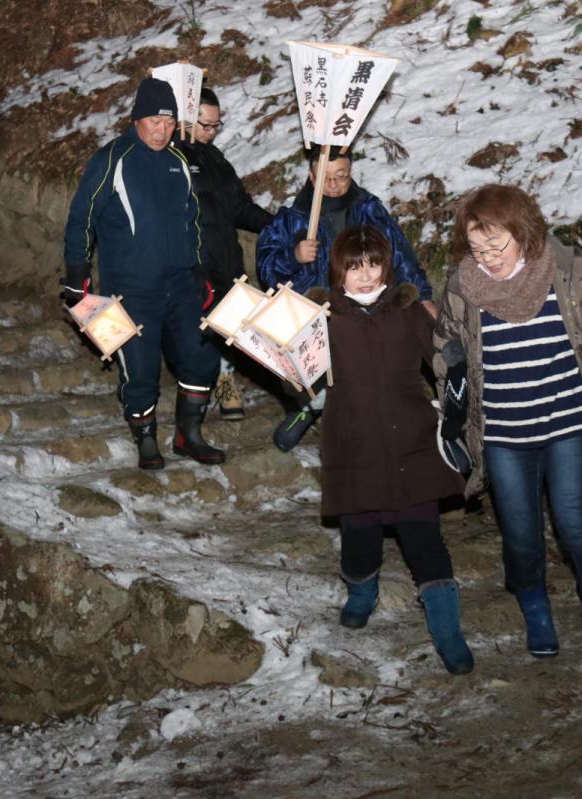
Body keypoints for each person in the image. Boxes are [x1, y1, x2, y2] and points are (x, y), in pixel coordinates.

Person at [432, 183, 582, 689]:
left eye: (496, 245)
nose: (486, 256)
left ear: (523, 232)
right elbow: (443, 343)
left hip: (569, 418)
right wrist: (450, 368)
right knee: (522, 534)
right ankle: (537, 612)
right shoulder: (463, 286)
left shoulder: (566, 266)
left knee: (577, 523)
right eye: (476, 247)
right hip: (505, 432)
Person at [319, 225, 472, 676]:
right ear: (338, 271)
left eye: (372, 264)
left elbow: (444, 358)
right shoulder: (323, 316)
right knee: (360, 536)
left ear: (386, 265)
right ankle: (362, 590)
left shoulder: (408, 311)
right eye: (353, 267)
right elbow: (300, 368)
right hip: (354, 440)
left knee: (426, 541)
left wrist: (458, 364)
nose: (365, 276)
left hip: (411, 440)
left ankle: (448, 632)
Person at [62, 77, 224, 470]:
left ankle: (190, 434)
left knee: (202, 356)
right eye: (154, 121)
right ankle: (146, 438)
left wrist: (202, 269)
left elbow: (194, 221)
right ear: (137, 119)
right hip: (132, 287)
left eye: (169, 123)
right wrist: (77, 275)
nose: (162, 130)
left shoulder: (179, 162)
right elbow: (82, 217)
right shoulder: (112, 159)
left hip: (181, 283)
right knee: (141, 366)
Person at [256, 146, 436, 451]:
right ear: (311, 177)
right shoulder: (293, 217)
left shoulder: (367, 207)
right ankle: (312, 404)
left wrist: (424, 294)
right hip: (317, 306)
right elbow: (267, 267)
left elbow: (400, 253)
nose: (336, 184)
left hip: (368, 302)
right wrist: (294, 256)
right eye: (327, 178)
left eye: (343, 176)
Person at [177, 87, 273, 421]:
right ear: (185, 121)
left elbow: (240, 207)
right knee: (200, 333)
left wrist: (274, 226)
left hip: (226, 259)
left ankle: (225, 381)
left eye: (216, 125)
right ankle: (193, 398)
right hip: (194, 265)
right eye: (205, 125)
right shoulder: (171, 160)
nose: (211, 132)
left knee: (231, 329)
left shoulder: (216, 159)